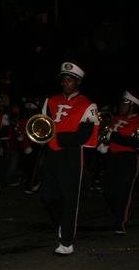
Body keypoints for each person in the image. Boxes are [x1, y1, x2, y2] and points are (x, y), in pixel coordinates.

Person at [41, 61, 99, 255]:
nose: (65, 83)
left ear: (78, 82)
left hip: (71, 154)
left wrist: (58, 136)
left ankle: (67, 241)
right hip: (52, 152)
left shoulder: (88, 105)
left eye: (70, 80)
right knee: (47, 196)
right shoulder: (50, 101)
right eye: (63, 79)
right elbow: (42, 125)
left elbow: (84, 135)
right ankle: (62, 224)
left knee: (69, 198)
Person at [98, 91, 139, 234]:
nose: (120, 106)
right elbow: (104, 133)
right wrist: (103, 143)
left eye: (124, 104)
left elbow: (133, 142)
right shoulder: (115, 118)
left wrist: (112, 136)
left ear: (132, 106)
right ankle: (122, 212)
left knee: (123, 192)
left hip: (128, 159)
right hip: (113, 157)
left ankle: (120, 222)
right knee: (109, 191)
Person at [19, 101, 42, 194]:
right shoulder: (22, 121)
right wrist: (19, 136)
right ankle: (35, 182)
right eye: (28, 111)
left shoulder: (39, 121)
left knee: (32, 167)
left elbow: (41, 136)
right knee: (24, 166)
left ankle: (29, 187)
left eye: (31, 111)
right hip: (24, 146)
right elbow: (19, 131)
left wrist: (32, 147)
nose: (29, 113)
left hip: (35, 147)